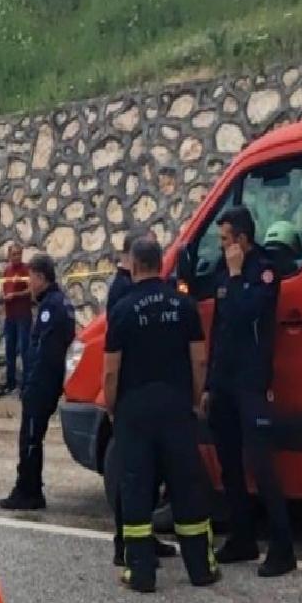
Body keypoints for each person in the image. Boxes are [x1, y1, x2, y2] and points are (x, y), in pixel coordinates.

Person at [104, 237, 219, 593]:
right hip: (175, 407)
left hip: (135, 410)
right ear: (160, 264)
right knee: (187, 485)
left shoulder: (123, 309)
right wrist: (195, 397)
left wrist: (112, 407)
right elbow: (199, 359)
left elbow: (111, 371)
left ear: (135, 266)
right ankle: (200, 568)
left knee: (136, 486)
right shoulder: (184, 306)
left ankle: (140, 573)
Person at [205, 206, 296, 577]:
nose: (222, 246)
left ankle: (282, 547)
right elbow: (221, 328)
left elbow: (246, 314)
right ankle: (242, 537)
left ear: (242, 240)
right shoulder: (224, 273)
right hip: (225, 382)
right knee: (229, 462)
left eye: (226, 239)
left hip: (251, 382)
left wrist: (240, 274)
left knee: (260, 463)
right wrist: (209, 383)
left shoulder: (264, 273)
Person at [104, 236, 177, 565]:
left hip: (145, 396)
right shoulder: (122, 291)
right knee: (131, 476)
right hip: (134, 396)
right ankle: (126, 544)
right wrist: (111, 402)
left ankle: (143, 537)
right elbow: (113, 357)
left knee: (147, 475)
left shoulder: (135, 288)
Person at [0, 255, 75, 511]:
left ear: (41, 277)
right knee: (32, 437)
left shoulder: (50, 307)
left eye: (31, 278)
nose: (28, 283)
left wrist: (31, 383)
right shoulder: (59, 302)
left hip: (42, 383)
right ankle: (29, 487)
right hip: (49, 382)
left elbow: (43, 352)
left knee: (30, 438)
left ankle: (28, 490)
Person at [0, 243, 33, 397]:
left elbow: (31, 289)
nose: (17, 257)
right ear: (9, 256)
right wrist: (3, 296)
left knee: (25, 351)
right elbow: (3, 289)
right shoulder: (6, 271)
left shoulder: (26, 270)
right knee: (9, 351)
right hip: (10, 316)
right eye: (14, 254)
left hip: (23, 316)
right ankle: (10, 382)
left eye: (19, 254)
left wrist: (16, 295)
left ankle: (26, 385)